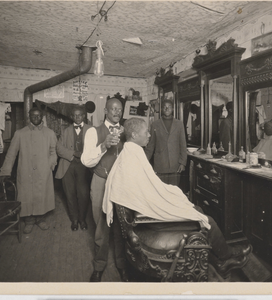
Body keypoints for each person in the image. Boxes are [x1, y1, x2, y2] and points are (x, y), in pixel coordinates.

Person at [103, 118, 252, 279]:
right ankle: (226, 257)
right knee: (207, 220)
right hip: (148, 220)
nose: (149, 135)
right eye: (146, 132)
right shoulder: (132, 156)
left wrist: (169, 193)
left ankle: (217, 259)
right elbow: (146, 194)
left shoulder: (131, 152)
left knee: (196, 209)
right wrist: (168, 198)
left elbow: (146, 188)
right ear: (133, 134)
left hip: (144, 211)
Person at [81, 98, 128, 282]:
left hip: (122, 183)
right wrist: (103, 145)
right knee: (101, 226)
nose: (116, 112)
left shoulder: (125, 132)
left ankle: (122, 265)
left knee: (121, 226)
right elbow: (86, 161)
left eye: (120, 109)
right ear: (105, 110)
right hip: (101, 181)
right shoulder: (94, 131)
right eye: (113, 109)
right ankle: (99, 266)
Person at [0, 107, 57, 233]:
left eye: (38, 116)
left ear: (42, 117)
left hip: (43, 170)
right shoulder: (20, 133)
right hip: (26, 170)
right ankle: (29, 221)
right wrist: (5, 171)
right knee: (27, 195)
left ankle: (40, 219)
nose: (36, 118)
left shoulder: (49, 133)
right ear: (29, 117)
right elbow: (11, 154)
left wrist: (50, 164)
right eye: (33, 116)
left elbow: (53, 151)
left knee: (42, 194)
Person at [55, 105, 92, 231]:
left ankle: (82, 219)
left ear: (83, 116)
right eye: (75, 115)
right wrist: (73, 153)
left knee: (83, 194)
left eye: (79, 115)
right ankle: (74, 220)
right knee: (69, 194)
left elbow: (95, 149)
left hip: (84, 167)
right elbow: (59, 148)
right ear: (72, 117)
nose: (77, 117)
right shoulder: (66, 131)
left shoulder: (91, 130)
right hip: (68, 165)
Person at [144, 99, 188, 186]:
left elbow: (183, 144)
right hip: (160, 165)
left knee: (174, 191)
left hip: (175, 165)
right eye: (165, 107)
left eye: (169, 107)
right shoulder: (155, 124)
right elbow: (151, 146)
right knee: (160, 191)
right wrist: (143, 161)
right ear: (161, 109)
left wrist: (183, 163)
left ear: (172, 109)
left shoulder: (179, 124)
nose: (167, 109)